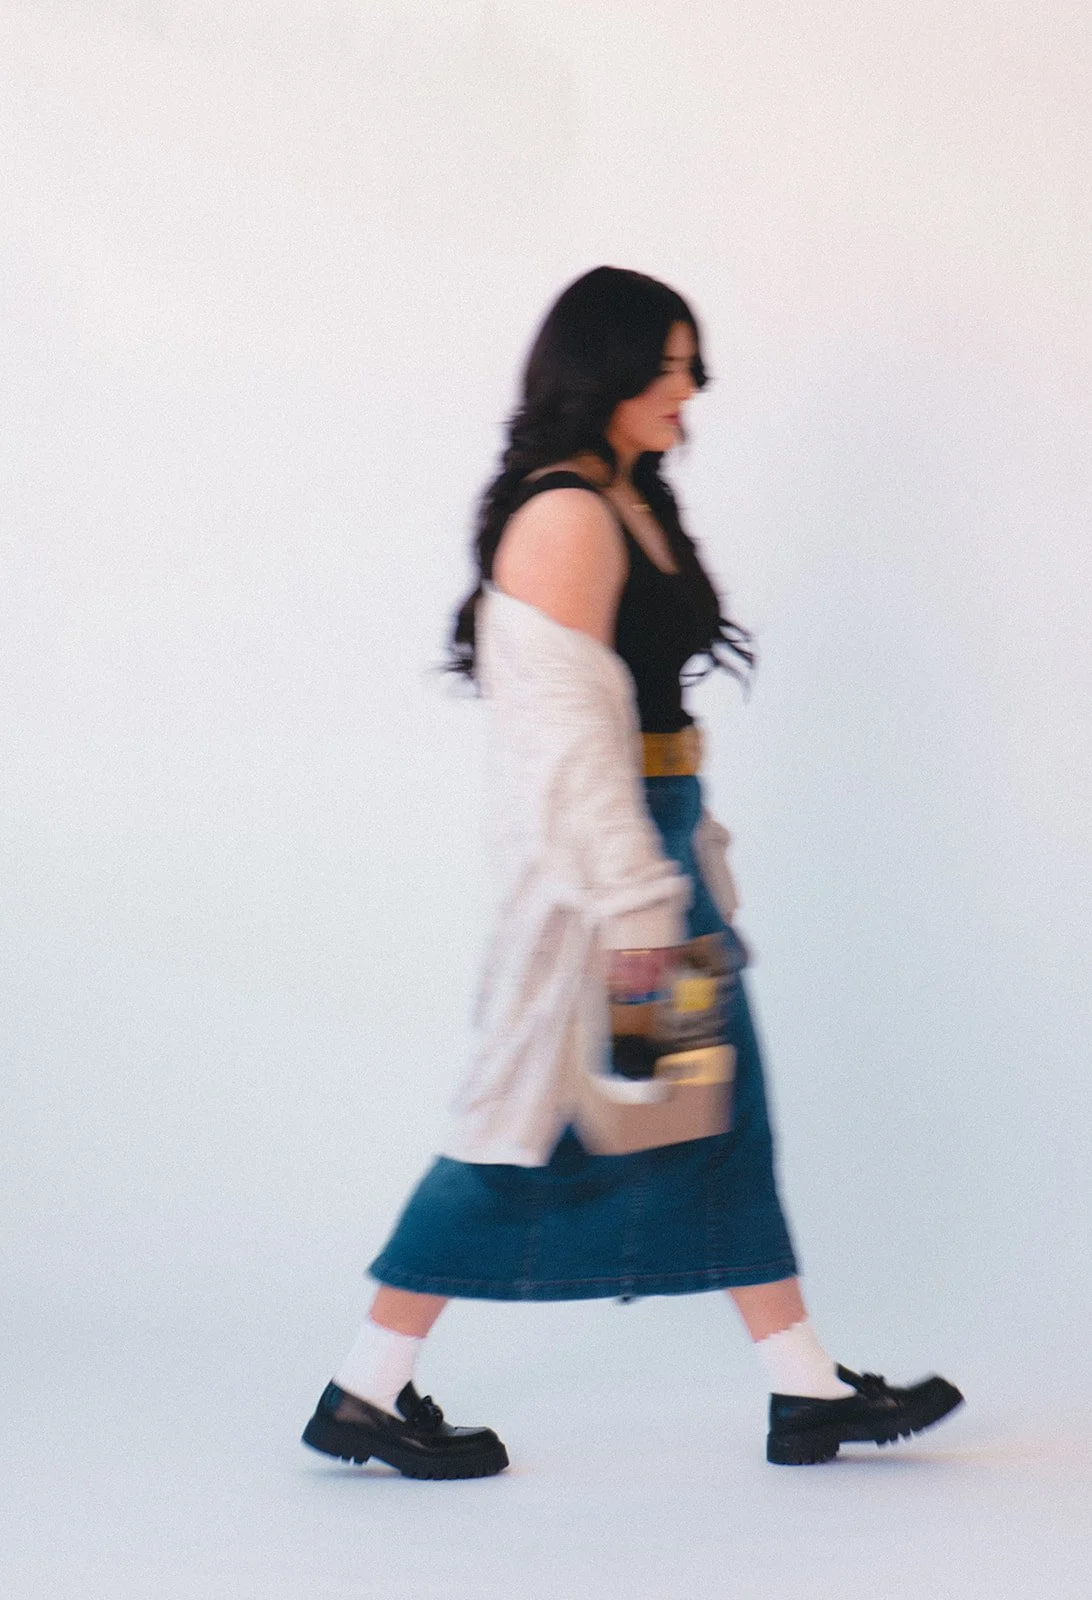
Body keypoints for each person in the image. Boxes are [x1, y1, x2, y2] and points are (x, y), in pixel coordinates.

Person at [301, 266, 963, 1479]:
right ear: (599, 369)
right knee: (529, 1133)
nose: (686, 389)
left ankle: (804, 1388)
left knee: (711, 1118)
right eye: (663, 366)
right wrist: (639, 908)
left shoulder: (626, 494)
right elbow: (563, 748)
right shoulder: (565, 514)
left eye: (691, 365)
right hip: (614, 883)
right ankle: (363, 1390)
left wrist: (676, 866)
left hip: (657, 854)